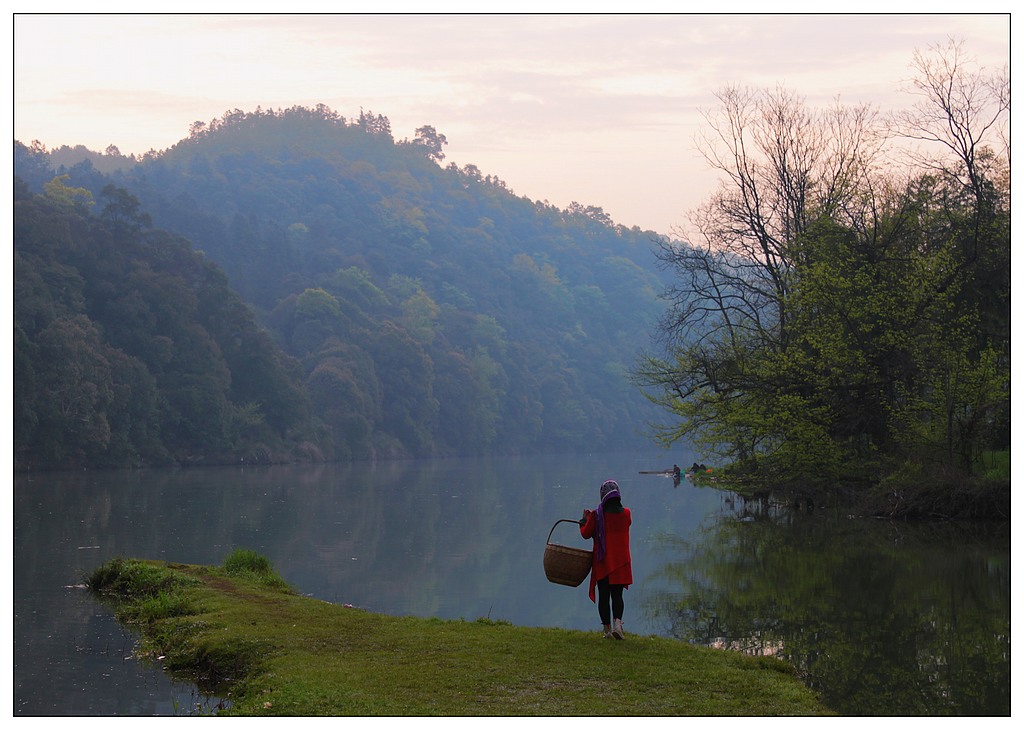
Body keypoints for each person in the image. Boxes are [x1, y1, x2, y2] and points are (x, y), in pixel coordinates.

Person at [579, 479, 632, 639]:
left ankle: (607, 631)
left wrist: (583, 520)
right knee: (618, 595)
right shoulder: (626, 513)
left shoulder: (596, 515)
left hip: (603, 561)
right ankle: (618, 624)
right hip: (621, 561)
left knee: (604, 595)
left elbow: (585, 534)